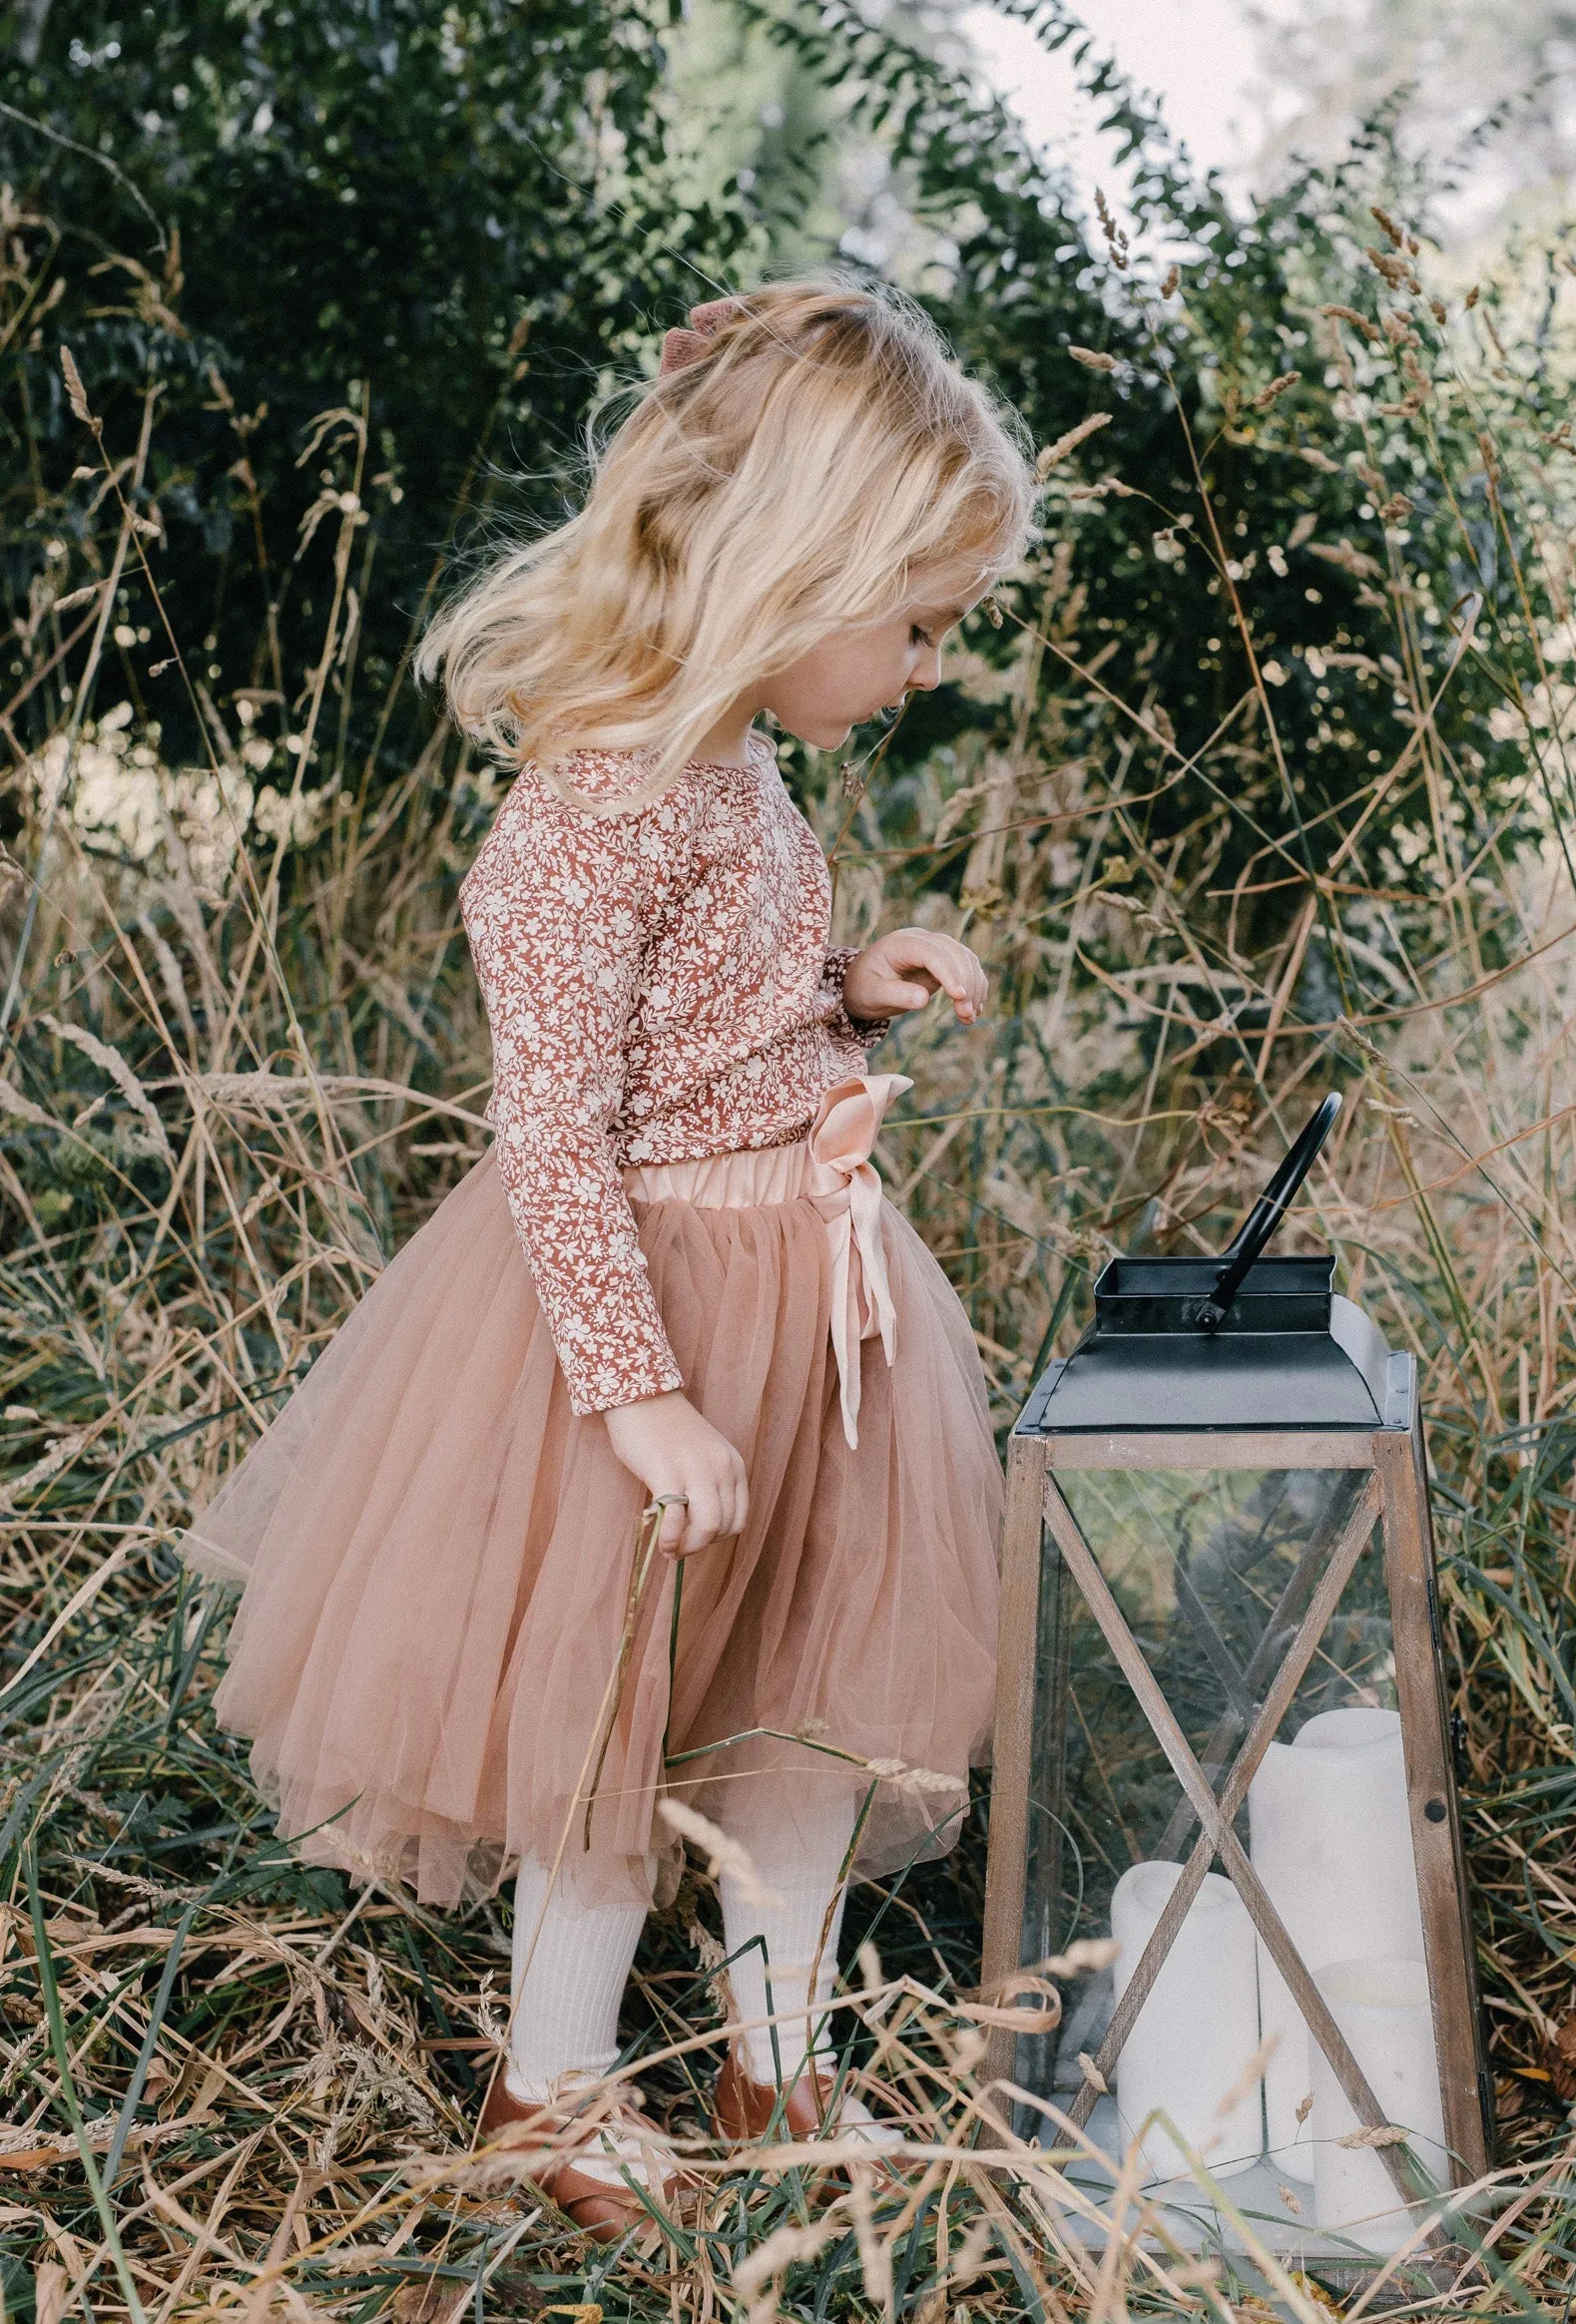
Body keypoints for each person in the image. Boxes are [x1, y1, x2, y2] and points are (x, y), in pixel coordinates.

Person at [177, 282, 1035, 2239]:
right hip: (629, 1327)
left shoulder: (743, 774)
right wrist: (640, 1401)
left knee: (808, 1696)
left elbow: (707, 1031)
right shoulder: (592, 808)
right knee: (609, 1712)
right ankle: (548, 2088)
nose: (921, 670)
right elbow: (553, 1127)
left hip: (812, 1310)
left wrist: (847, 989)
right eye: (911, 624)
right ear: (788, 568)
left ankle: (774, 2055)